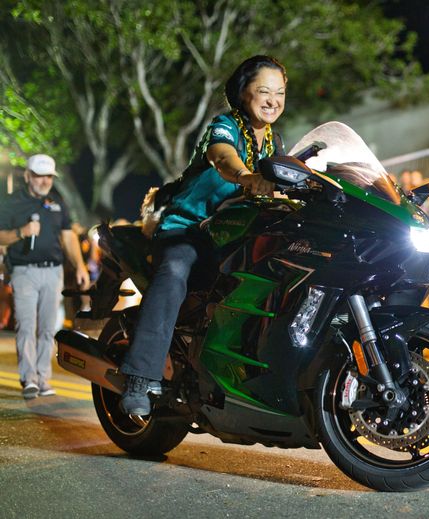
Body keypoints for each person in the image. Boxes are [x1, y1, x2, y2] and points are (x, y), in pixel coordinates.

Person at [120, 55, 284, 415]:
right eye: (264, 91)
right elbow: (221, 157)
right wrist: (246, 177)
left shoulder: (274, 143)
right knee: (175, 273)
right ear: (244, 94)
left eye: (280, 93)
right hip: (188, 229)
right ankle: (139, 377)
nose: (273, 100)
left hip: (233, 236)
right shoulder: (224, 126)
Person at [0, 154, 90, 398]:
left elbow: (68, 236)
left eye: (49, 176)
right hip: (24, 271)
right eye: (39, 176)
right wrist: (21, 232)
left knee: (48, 328)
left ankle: (43, 378)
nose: (44, 181)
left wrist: (80, 267)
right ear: (28, 176)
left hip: (53, 271)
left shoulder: (57, 202)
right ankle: (28, 378)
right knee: (26, 325)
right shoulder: (11, 202)